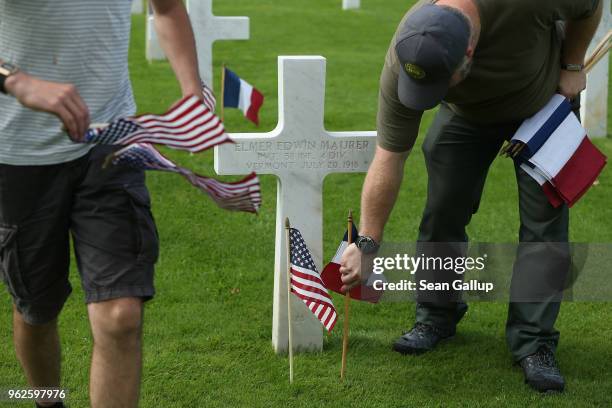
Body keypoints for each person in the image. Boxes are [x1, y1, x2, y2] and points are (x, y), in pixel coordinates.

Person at [340, 0, 602, 393]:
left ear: (469, 52)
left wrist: (572, 65)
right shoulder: (406, 52)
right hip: (466, 114)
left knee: (544, 223)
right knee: (443, 208)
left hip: (543, 99)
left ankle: (534, 342)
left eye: (440, 82)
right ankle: (436, 316)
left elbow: (591, 7)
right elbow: (389, 157)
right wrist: (366, 242)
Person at [0, 1, 204, 406]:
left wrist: (192, 93)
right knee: (36, 311)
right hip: (19, 155)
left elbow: (166, 9)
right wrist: (14, 79)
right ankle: (48, 400)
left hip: (110, 144)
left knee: (121, 315)